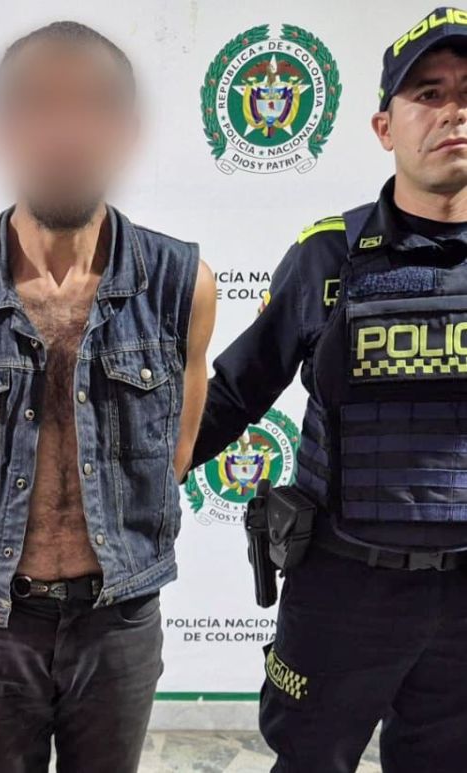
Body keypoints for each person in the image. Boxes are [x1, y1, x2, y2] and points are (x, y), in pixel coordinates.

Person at [0, 20, 216, 773]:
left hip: (119, 616)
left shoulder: (183, 285)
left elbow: (175, 453)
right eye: (39, 106)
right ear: (1, 128)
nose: (65, 132)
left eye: (91, 107)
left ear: (126, 130)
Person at [189, 8, 467, 772]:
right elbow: (234, 395)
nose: (454, 111)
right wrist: (122, 481)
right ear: (385, 126)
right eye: (429, 93)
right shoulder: (329, 254)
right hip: (343, 585)